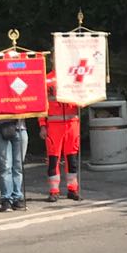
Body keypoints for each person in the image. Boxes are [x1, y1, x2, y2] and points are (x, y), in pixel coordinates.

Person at [41, 72, 82, 206]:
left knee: (72, 158)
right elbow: (41, 104)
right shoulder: (45, 79)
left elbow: (84, 98)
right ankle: (54, 190)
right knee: (53, 159)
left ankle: (73, 189)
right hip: (53, 125)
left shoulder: (74, 77)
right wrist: (42, 125)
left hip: (72, 123)